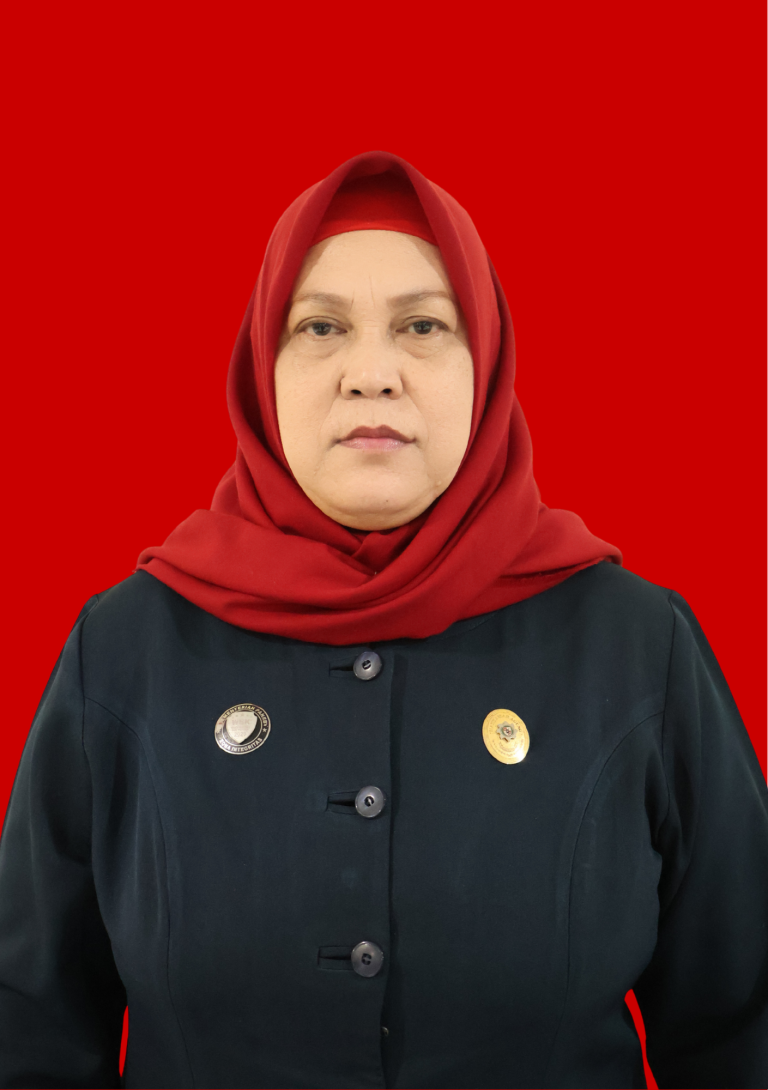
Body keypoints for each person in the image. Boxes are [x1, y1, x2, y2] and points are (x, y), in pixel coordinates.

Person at [0, 150, 766, 1090]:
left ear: (486, 362)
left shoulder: (638, 648)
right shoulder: (125, 650)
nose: (371, 373)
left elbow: (743, 1024)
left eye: (423, 325)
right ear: (261, 367)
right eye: (320, 326)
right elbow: (29, 1028)